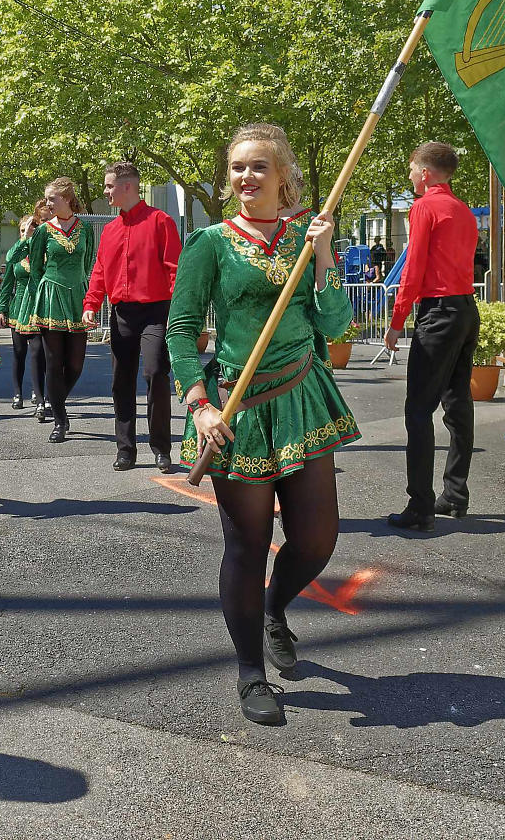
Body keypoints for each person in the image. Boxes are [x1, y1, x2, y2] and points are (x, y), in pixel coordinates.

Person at [167, 123, 359, 727]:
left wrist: (324, 260)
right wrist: (198, 405)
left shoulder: (307, 236)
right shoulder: (210, 244)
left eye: (258, 168)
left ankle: (276, 608)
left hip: (302, 398)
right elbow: (180, 329)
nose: (246, 178)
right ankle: (251, 672)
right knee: (246, 545)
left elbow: (336, 327)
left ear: (283, 176)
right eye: (238, 168)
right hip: (238, 409)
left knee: (317, 538)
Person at [384, 141, 481, 531]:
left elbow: (415, 265)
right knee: (458, 404)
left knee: (418, 410)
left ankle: (420, 505)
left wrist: (397, 319)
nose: (410, 176)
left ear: (425, 172)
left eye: (411, 169)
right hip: (465, 309)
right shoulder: (464, 211)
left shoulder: (424, 207)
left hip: (438, 312)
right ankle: (455, 494)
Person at [83, 160, 181, 473]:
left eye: (109, 185)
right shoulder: (110, 230)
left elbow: (174, 268)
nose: (105, 191)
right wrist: (91, 302)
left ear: (128, 186)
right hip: (121, 313)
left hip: (155, 311)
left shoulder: (160, 221)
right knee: (120, 381)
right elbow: (100, 270)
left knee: (155, 374)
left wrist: (179, 311)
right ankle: (125, 450)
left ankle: (161, 448)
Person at [27, 177, 96, 442]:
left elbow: (88, 260)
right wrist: (40, 297)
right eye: (46, 199)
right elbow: (35, 269)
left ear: (67, 199)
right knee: (54, 363)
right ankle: (60, 419)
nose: (47, 203)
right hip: (51, 297)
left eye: (52, 198)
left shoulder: (85, 229)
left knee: (76, 364)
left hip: (77, 295)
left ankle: (55, 401)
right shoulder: (44, 230)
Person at [0, 211, 47, 411]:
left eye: (31, 228)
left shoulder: (43, 252)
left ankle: (38, 391)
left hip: (38, 307)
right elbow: (8, 283)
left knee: (38, 352)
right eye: (23, 229)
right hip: (18, 308)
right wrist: (2, 309)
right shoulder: (15, 254)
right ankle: (17, 393)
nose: (27, 232)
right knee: (19, 352)